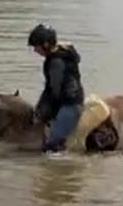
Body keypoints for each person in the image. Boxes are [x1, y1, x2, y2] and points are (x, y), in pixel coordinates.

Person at [27, 23, 84, 152]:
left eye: (36, 47)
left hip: (70, 104)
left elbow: (54, 91)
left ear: (46, 45)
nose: (35, 50)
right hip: (71, 98)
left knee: (52, 145)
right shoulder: (63, 53)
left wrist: (44, 112)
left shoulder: (55, 63)